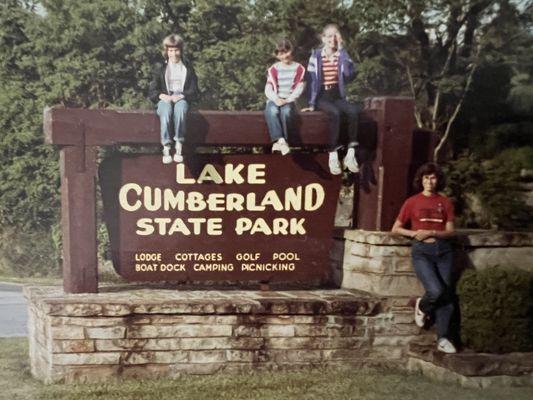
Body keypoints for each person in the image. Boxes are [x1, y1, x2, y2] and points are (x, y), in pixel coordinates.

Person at [391, 163, 457, 354]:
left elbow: (451, 232)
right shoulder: (412, 202)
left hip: (444, 251)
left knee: (447, 296)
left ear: (438, 180)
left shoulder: (445, 202)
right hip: (422, 252)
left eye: (433, 178)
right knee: (436, 291)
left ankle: (443, 338)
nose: (429, 181)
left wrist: (433, 232)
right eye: (426, 178)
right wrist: (413, 234)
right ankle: (422, 305)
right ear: (421, 180)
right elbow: (395, 228)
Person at [302, 24, 359, 175]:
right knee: (335, 113)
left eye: (335, 36)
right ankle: (332, 153)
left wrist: (341, 50)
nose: (332, 39)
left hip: (336, 94)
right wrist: (311, 104)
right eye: (328, 36)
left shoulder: (342, 55)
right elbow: (311, 80)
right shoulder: (316, 55)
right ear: (323, 38)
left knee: (353, 112)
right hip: (321, 95)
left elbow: (348, 75)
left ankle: (350, 153)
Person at [149, 34, 199, 164]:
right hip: (165, 99)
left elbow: (194, 90)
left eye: (176, 50)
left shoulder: (187, 67)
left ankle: (179, 144)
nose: (174, 53)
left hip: (181, 98)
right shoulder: (160, 67)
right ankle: (166, 146)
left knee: (181, 110)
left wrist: (182, 96)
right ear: (166, 51)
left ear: (181, 50)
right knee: (165, 112)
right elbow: (152, 91)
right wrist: (162, 96)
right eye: (170, 50)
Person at [264, 38, 305, 155]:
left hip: (289, 99)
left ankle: (284, 142)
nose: (285, 56)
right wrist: (276, 99)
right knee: (272, 111)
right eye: (281, 53)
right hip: (276, 99)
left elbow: (299, 87)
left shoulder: (299, 69)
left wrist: (288, 99)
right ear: (277, 55)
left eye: (287, 52)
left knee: (286, 112)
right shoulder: (274, 69)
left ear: (292, 52)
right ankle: (280, 140)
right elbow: (268, 88)